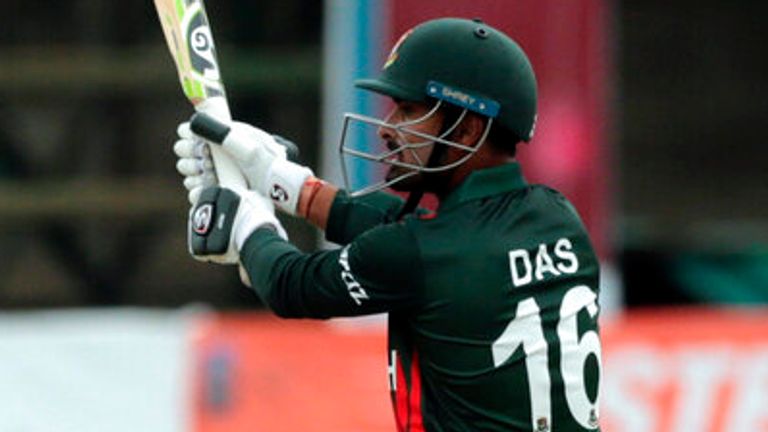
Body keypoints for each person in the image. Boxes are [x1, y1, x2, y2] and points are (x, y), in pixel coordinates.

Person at [174, 17, 602, 432]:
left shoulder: (422, 253)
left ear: (469, 129)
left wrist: (247, 220)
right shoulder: (558, 217)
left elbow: (291, 285)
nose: (388, 129)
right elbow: (427, 237)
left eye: (409, 110)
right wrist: (289, 184)